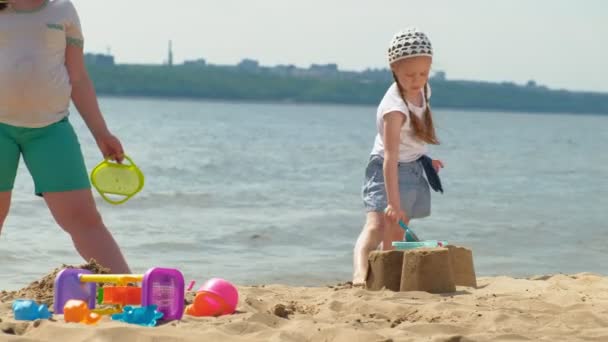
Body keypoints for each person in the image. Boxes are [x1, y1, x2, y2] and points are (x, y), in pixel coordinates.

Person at [0, 0, 131, 273]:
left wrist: (101, 132)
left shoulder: (63, 10)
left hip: (51, 130)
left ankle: (125, 288)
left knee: (84, 219)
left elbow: (78, 77)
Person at [353, 28, 444, 284]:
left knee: (398, 225)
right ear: (394, 69)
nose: (417, 80)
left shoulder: (422, 90)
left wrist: (425, 156)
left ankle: (386, 274)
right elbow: (390, 158)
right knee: (377, 225)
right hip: (386, 167)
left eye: (423, 74)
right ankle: (361, 272)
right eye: (409, 75)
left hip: (412, 165)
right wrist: (392, 202)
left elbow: (415, 130)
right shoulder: (393, 110)